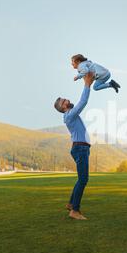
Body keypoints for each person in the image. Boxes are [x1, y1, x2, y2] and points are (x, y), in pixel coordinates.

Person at [53, 72, 95, 220]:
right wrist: (87, 84)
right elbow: (83, 102)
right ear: (62, 108)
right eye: (64, 101)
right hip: (80, 149)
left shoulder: (70, 114)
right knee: (83, 180)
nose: (68, 100)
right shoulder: (69, 115)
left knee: (81, 179)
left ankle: (71, 204)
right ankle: (75, 211)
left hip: (81, 148)